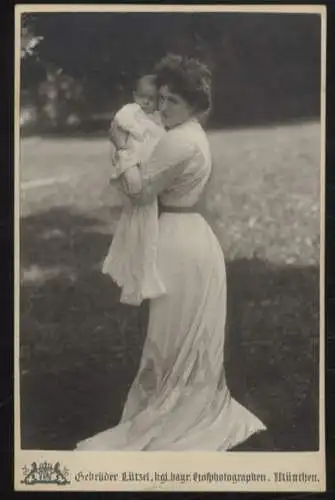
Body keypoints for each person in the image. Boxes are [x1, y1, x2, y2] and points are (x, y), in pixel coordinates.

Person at [76, 54, 266, 451]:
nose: (160, 108)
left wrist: (121, 147)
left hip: (181, 243)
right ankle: (175, 402)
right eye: (159, 99)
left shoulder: (181, 140)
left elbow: (139, 190)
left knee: (171, 339)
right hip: (185, 236)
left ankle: (176, 413)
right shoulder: (188, 131)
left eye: (170, 101)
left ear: (194, 104)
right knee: (173, 338)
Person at [104, 74, 166, 305]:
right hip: (130, 159)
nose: (146, 103)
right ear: (134, 96)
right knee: (137, 196)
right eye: (142, 97)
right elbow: (120, 126)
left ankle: (145, 269)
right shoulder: (130, 111)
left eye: (152, 99)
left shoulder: (158, 117)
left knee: (144, 213)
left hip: (146, 164)